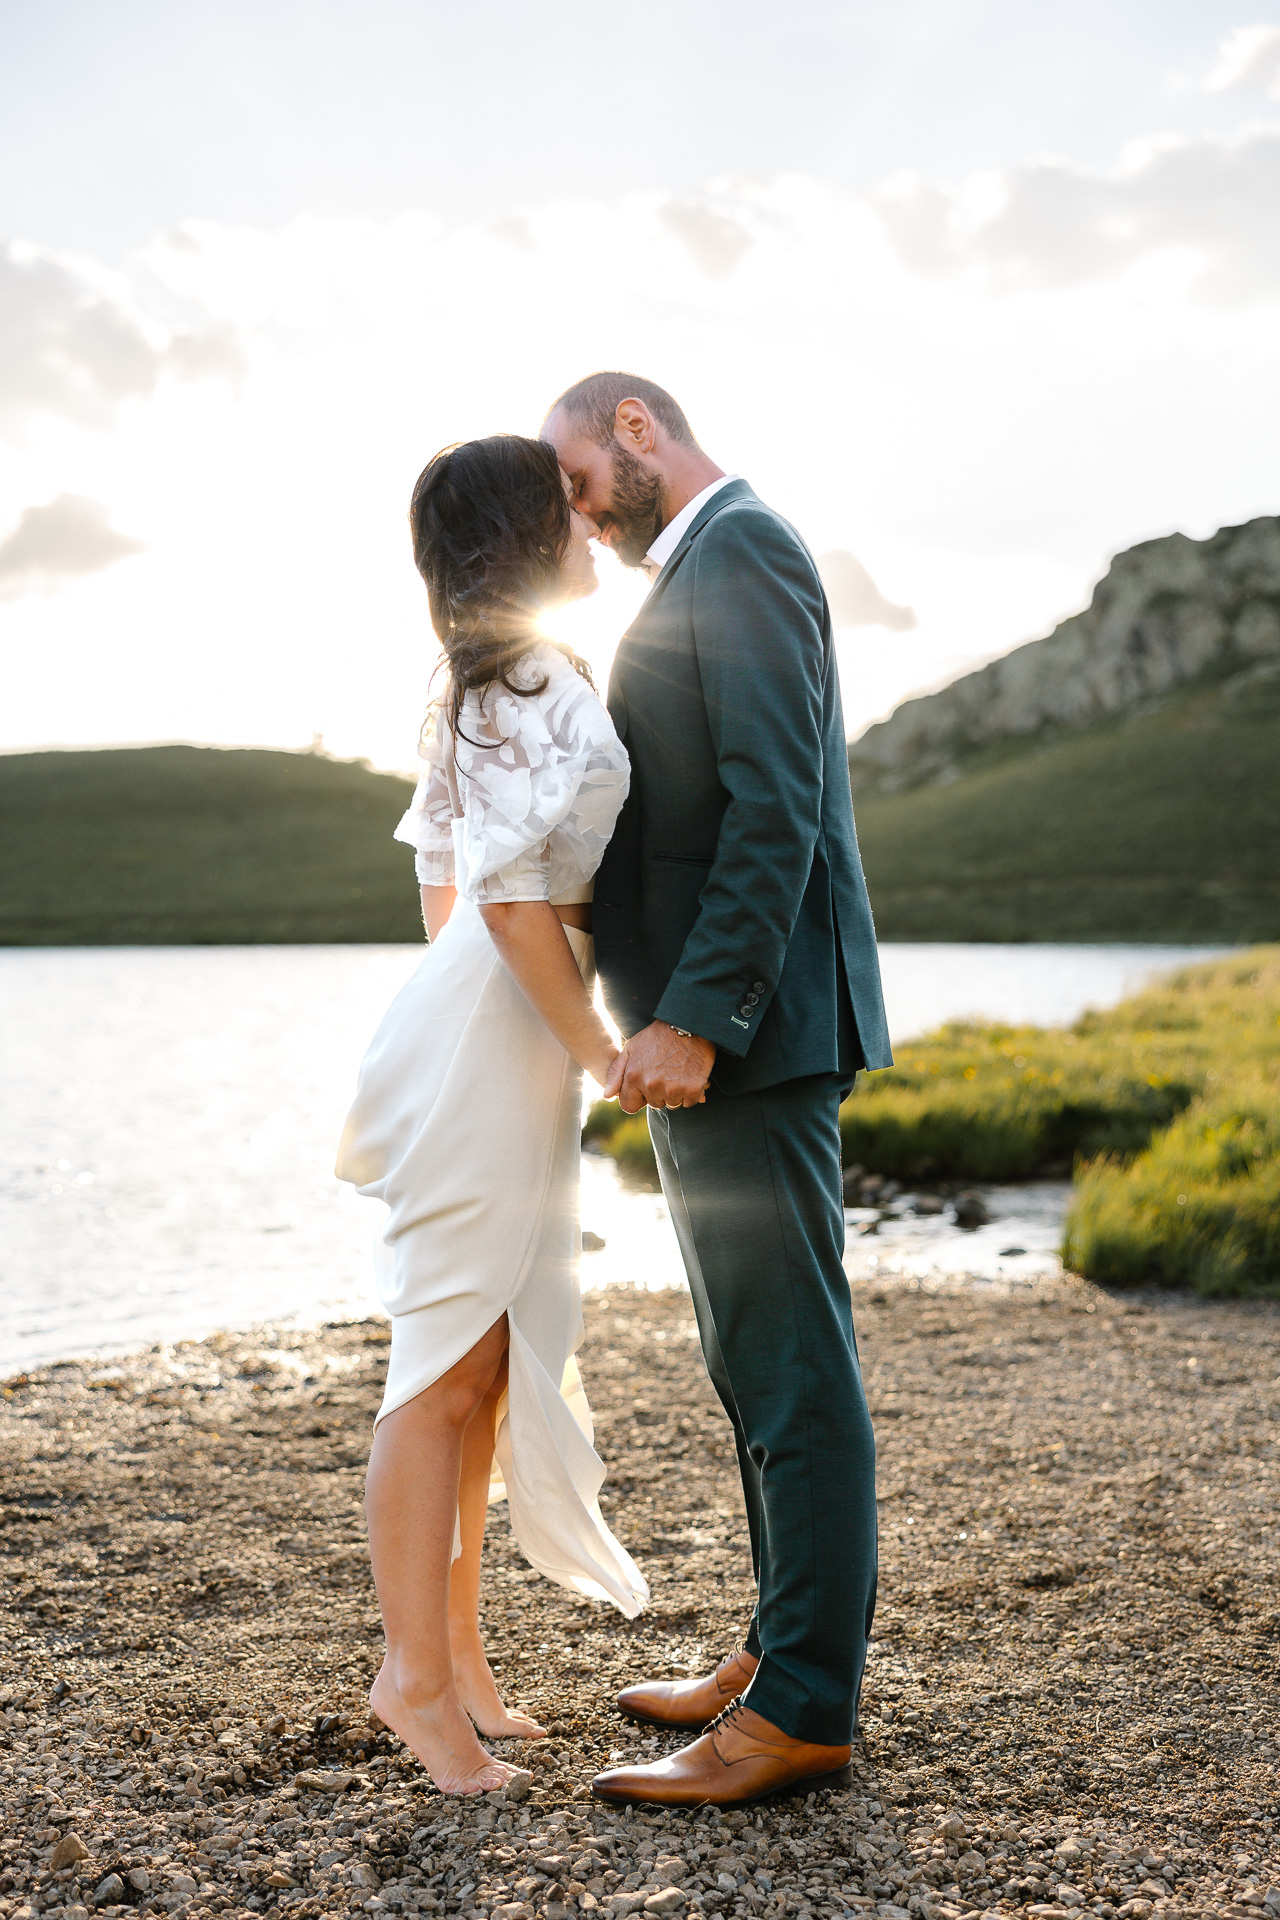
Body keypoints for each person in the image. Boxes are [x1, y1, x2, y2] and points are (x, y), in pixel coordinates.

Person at [542, 373, 894, 1808]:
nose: (576, 515)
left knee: (793, 1368)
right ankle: (777, 1650)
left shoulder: (743, 544)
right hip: (712, 1038)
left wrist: (698, 1014)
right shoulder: (698, 562)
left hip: (746, 1034)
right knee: (750, 1363)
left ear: (637, 424)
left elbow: (777, 800)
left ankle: (806, 1706)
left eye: (573, 478)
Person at [335, 433, 647, 1798]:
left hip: (494, 1025)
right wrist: (595, 1046)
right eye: (565, 510)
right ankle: (412, 1678)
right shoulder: (530, 681)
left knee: (491, 1368)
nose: (591, 527)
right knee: (442, 1370)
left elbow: (441, 889)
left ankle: (459, 1665)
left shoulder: (498, 680)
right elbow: (508, 904)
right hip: (504, 1027)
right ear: (526, 535)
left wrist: (516, 1019)